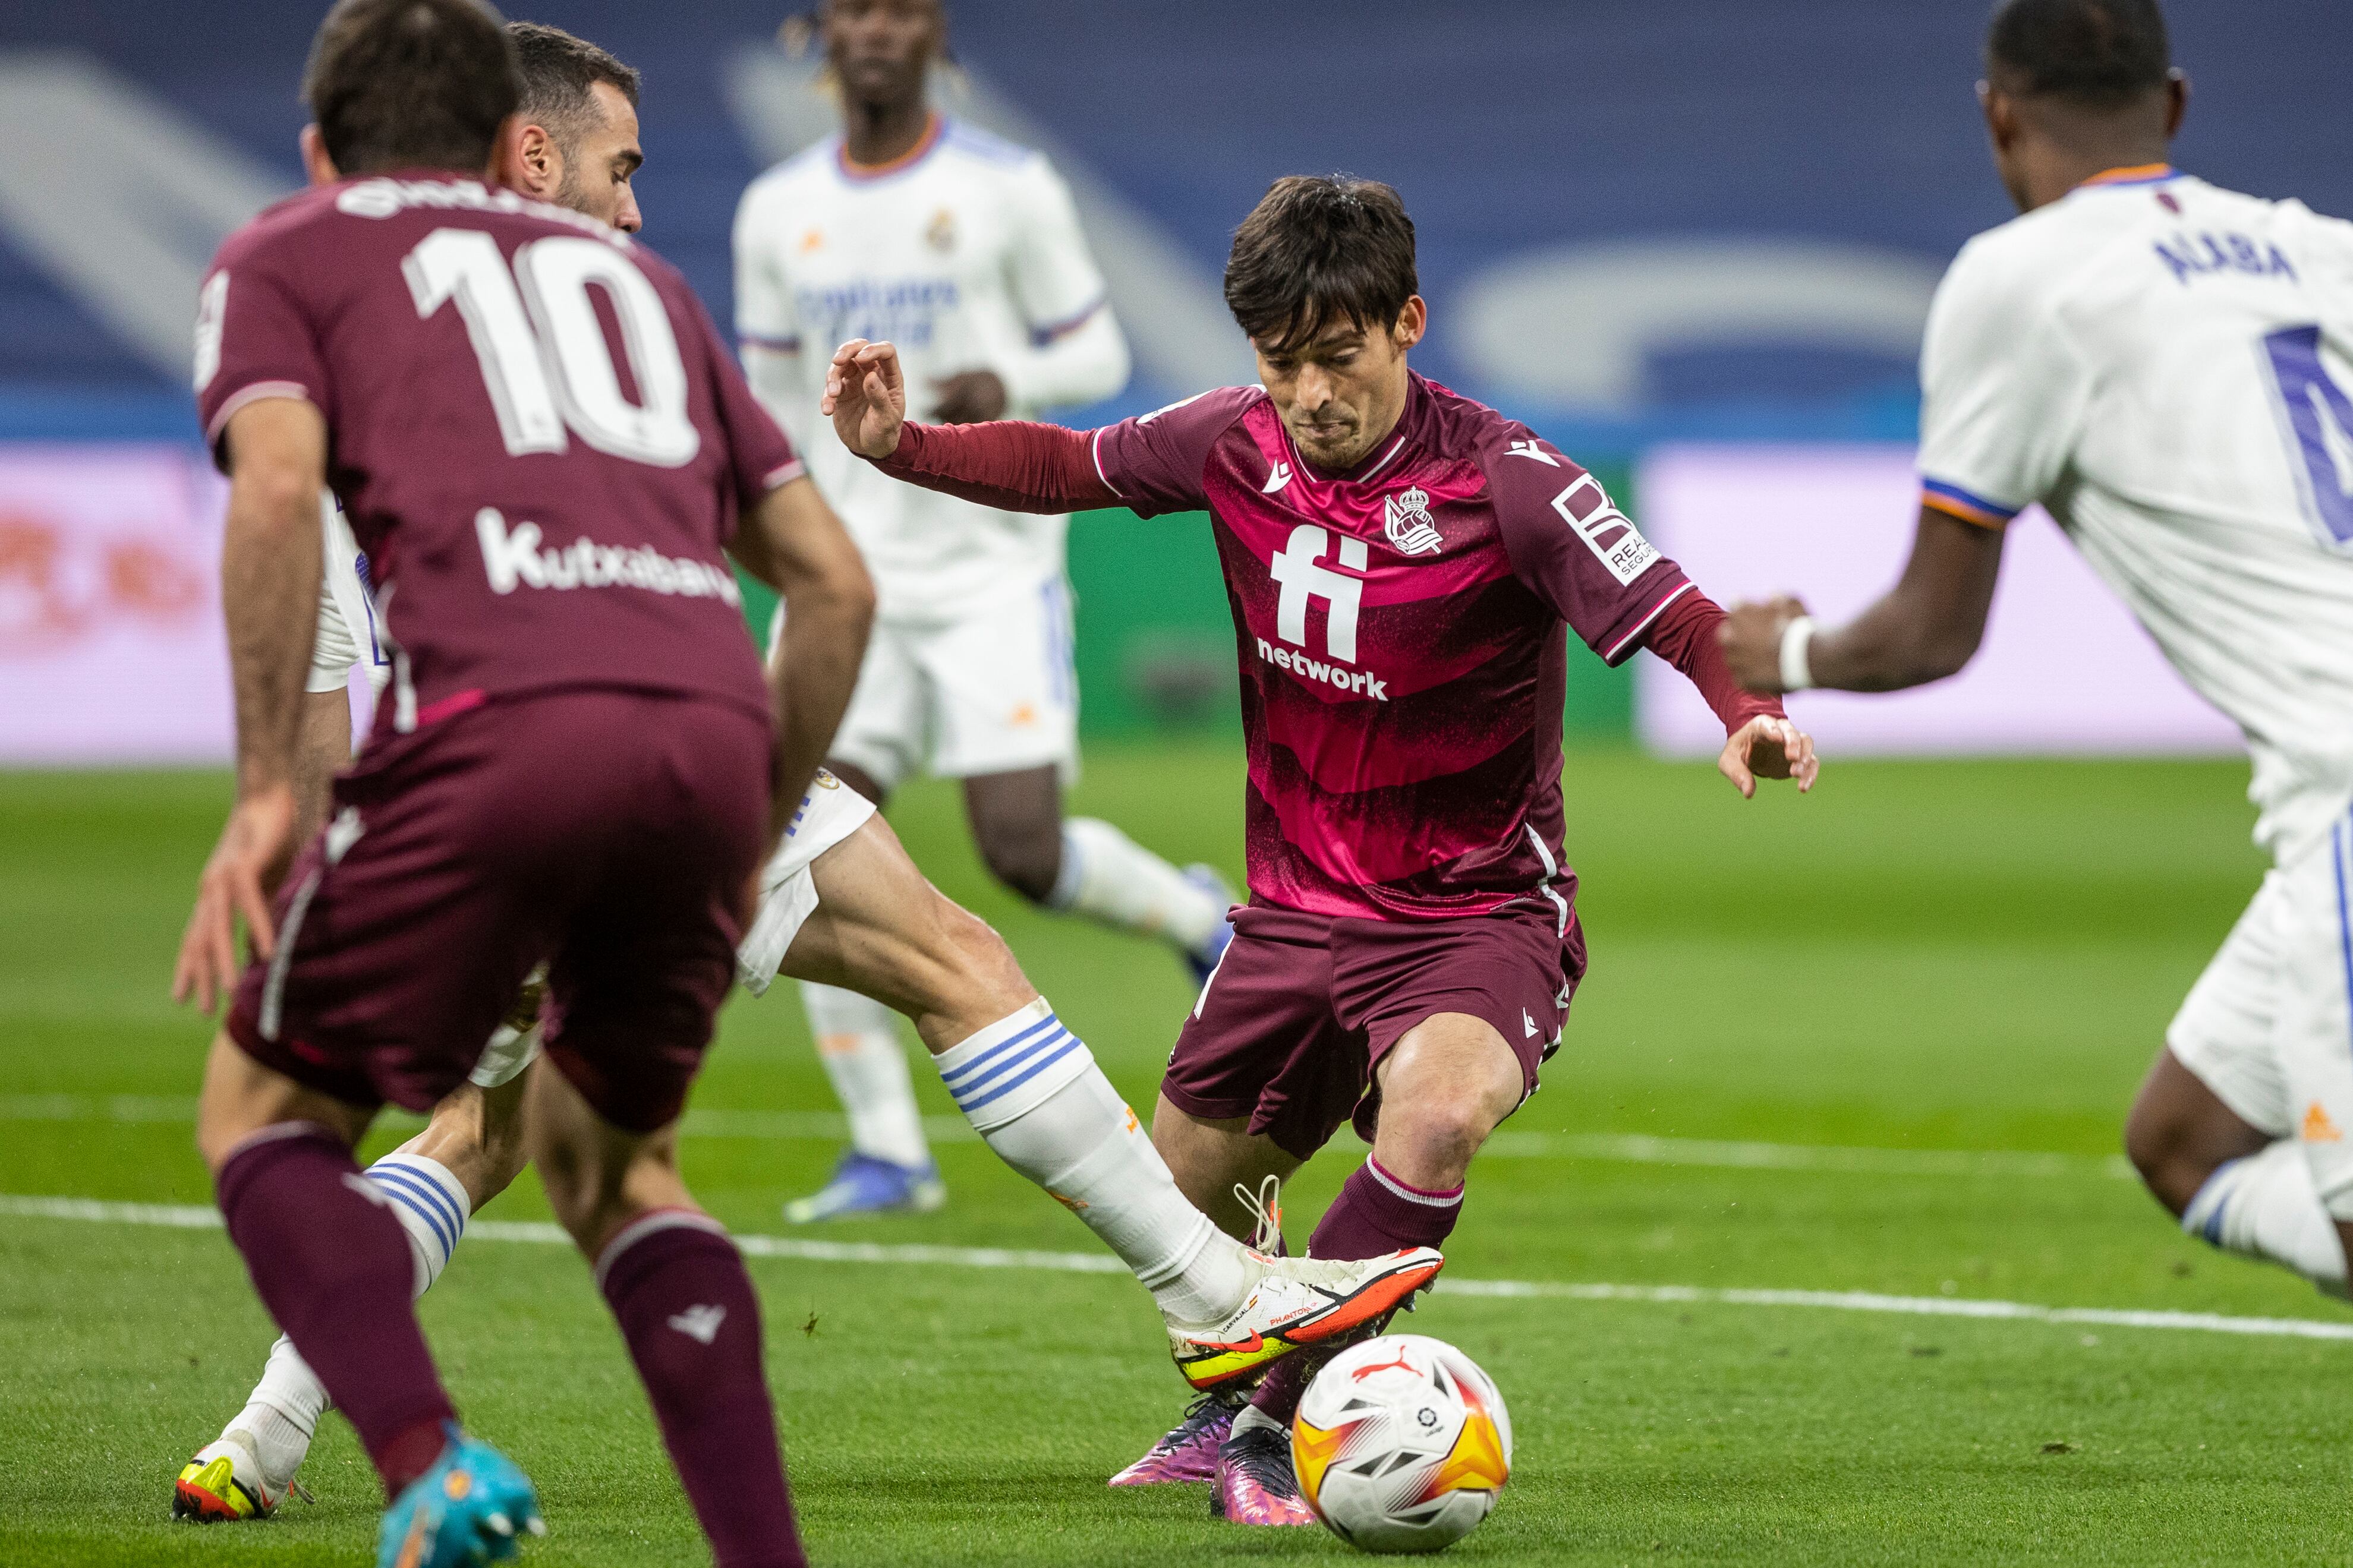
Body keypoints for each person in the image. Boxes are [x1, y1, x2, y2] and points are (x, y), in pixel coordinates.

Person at [172, 12, 1445, 1546]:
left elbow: (295, 562)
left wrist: (289, 821)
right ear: (525, 150)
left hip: (466, 769)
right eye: (622, 166)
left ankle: (284, 1432)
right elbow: (821, 583)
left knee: (403, 1129)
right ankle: (1215, 1293)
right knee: (888, 993)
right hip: (687, 719)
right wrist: (750, 803)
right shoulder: (639, 301)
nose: (640, 205)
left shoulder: (294, 282)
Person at [823, 174, 1819, 1526]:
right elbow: (1069, 467)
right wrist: (899, 446)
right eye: (1280, 364)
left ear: (1407, 324)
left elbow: (1678, 613)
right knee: (1169, 1194)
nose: (1307, 395)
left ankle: (1268, 1420)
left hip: (1473, 916)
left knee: (1442, 1114)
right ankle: (1233, 1402)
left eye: (1337, 360)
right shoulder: (1232, 443)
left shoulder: (1510, 483)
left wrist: (1748, 712)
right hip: (1294, 920)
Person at [1719, 0, 2353, 1302]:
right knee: (2183, 1137)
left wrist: (1783, 653)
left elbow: (1932, 631)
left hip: (2345, 786)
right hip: (2324, 817)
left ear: (1999, 116)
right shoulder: (2321, 249)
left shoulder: (2023, 279)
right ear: (2172, 105)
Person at [735, 0, 1237, 1223]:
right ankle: (886, 1152)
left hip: (990, 566)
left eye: (901, 11)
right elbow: (763, 389)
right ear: (817, 33)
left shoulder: (1012, 189)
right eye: (854, 10)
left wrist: (1001, 383)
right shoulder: (775, 212)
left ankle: (1194, 916)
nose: (877, 32)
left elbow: (1099, 355)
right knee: (799, 841)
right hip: (847, 578)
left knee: (1020, 848)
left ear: (935, 34)